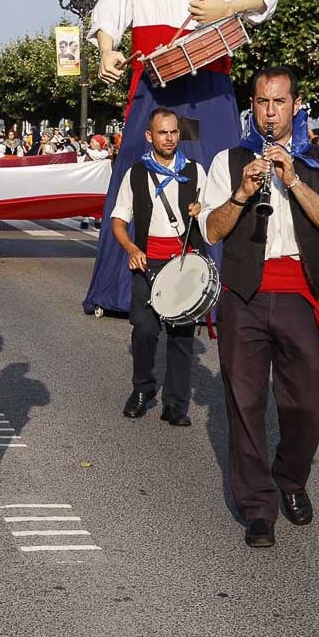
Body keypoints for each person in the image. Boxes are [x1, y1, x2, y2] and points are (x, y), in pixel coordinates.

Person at [84, 0, 279, 316]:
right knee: (139, 174)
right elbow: (108, 14)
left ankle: (220, 286)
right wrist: (109, 49)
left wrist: (228, 7)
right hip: (156, 87)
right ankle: (125, 287)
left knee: (217, 173)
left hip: (210, 89)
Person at [198, 67, 319, 549]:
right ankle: (258, 506)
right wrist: (243, 192)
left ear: (296, 105)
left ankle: (290, 479)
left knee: (308, 400)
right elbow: (212, 231)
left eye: (279, 102)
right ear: (252, 105)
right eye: (262, 102)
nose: (270, 111)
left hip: (299, 290)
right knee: (244, 402)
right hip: (244, 293)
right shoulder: (228, 159)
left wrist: (294, 182)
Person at [112, 108, 203, 424]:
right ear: (150, 136)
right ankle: (143, 388)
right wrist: (131, 247)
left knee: (181, 337)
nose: (169, 138)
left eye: (174, 132)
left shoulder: (195, 171)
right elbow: (118, 220)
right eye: (162, 133)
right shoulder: (136, 173)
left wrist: (201, 209)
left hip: (184, 264)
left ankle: (176, 404)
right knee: (145, 330)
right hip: (147, 262)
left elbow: (214, 214)